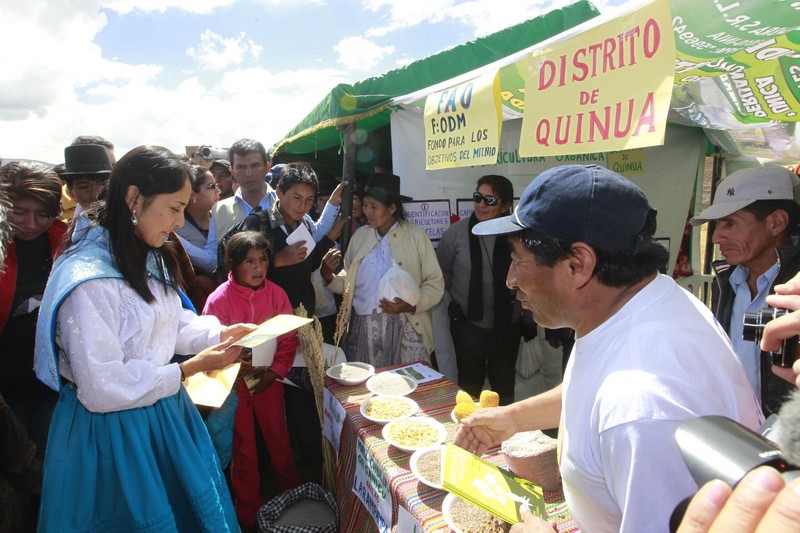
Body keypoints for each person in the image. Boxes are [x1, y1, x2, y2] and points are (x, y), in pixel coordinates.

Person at [454, 165, 762, 532]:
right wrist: (515, 418)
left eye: (519, 262)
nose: (510, 280)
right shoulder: (644, 301)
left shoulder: (641, 409)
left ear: (578, 264)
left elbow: (620, 407)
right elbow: (592, 388)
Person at [33, 145, 255, 532]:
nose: (179, 221)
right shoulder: (89, 278)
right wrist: (188, 370)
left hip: (161, 411)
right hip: (112, 434)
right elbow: (102, 385)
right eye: (173, 208)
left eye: (184, 208)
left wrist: (218, 333)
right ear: (134, 198)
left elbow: (167, 325)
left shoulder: (144, 253)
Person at [240, 162, 346, 484]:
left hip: (301, 324)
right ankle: (271, 481)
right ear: (280, 193)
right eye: (295, 198)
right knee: (267, 403)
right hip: (267, 331)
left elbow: (307, 264)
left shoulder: (306, 222)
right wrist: (277, 260)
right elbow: (232, 265)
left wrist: (325, 252)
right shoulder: (258, 222)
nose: (301, 206)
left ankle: (312, 473)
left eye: (308, 200)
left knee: (304, 400)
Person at [203, 231, 301, 529]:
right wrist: (234, 363)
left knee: (279, 439)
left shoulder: (276, 294)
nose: (258, 268)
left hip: (269, 381)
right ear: (232, 264)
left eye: (263, 260)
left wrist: (276, 370)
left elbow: (288, 338)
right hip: (235, 385)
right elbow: (209, 344)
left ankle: (294, 497)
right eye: (250, 261)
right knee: (243, 449)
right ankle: (248, 514)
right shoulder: (218, 299)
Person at [690, 167, 800, 416]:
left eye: (730, 223)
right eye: (717, 224)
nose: (717, 237)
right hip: (738, 435)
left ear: (777, 223)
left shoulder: (796, 288)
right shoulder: (727, 280)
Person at [322, 172, 444, 367]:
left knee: (408, 388)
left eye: (374, 207)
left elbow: (434, 282)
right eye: (365, 205)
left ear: (392, 208)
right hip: (364, 329)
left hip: (406, 326)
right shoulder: (360, 236)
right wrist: (328, 276)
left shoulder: (416, 236)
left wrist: (411, 306)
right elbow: (348, 281)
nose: (367, 211)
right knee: (370, 390)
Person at [179, 139, 340, 275]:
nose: (249, 173)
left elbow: (313, 235)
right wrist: (174, 238)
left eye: (255, 165)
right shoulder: (219, 210)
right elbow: (212, 260)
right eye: (241, 167)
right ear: (232, 171)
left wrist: (333, 205)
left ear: (267, 167)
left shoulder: (286, 201)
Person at [436, 175, 521, 405]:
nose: (481, 205)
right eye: (478, 198)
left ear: (505, 206)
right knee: (469, 387)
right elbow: (442, 274)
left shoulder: (517, 235)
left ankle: (504, 436)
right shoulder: (456, 233)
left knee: (503, 389)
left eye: (490, 200)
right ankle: (470, 434)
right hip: (468, 328)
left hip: (506, 328)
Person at [0, 162, 65, 459]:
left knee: (48, 464)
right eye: (19, 212)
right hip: (6, 390)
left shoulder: (67, 245)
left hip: (51, 386)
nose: (30, 223)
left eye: (43, 214)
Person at [177, 165, 221, 277]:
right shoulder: (175, 227)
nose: (218, 191)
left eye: (217, 185)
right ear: (192, 194)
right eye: (212, 186)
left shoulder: (222, 216)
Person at [61, 143, 113, 219]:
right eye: (84, 187)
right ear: (70, 191)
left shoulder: (130, 224)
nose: (96, 195)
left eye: (102, 185)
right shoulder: (69, 228)